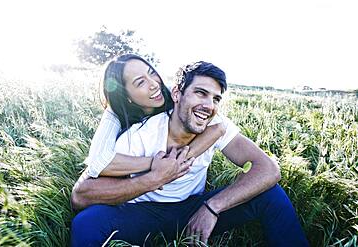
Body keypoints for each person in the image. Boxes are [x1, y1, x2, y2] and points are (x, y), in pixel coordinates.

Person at [71, 61, 309, 246]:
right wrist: (153, 178)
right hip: (144, 212)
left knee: (270, 194)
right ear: (177, 94)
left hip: (193, 207)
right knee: (87, 223)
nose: (209, 105)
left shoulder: (216, 124)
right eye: (200, 93)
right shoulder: (139, 136)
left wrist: (213, 207)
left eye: (215, 98)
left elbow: (268, 169)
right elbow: (83, 194)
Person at [83, 53, 226, 180]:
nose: (154, 84)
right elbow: (96, 164)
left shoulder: (175, 93)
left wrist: (181, 158)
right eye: (140, 82)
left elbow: (219, 126)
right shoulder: (114, 114)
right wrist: (157, 163)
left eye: (151, 73)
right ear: (126, 96)